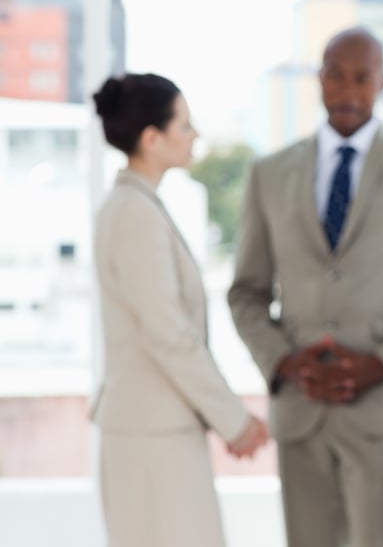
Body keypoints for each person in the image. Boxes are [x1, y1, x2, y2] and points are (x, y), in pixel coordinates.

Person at [228, 26, 383, 547]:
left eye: (362, 78)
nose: (348, 91)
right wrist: (286, 362)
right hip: (300, 413)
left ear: (382, 83)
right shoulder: (269, 174)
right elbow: (246, 292)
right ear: (319, 80)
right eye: (336, 76)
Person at [90, 73, 268, 547]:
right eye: (185, 125)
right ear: (152, 138)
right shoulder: (133, 213)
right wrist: (234, 419)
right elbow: (168, 333)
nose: (195, 136)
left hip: (157, 428)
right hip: (152, 434)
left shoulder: (138, 206)